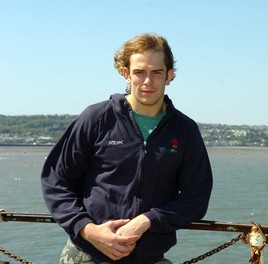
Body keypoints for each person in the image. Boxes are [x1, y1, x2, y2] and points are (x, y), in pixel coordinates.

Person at [41, 33, 213, 264]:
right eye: (139, 72)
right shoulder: (96, 119)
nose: (147, 81)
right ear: (126, 74)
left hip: (149, 257)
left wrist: (148, 220)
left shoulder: (185, 130)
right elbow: (56, 181)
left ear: (169, 76)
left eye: (156, 72)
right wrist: (88, 229)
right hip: (86, 254)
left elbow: (197, 197)